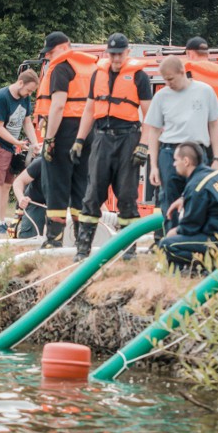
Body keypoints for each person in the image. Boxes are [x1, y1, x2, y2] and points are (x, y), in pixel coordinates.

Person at [70, 33, 153, 262]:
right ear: (108, 53)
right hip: (102, 138)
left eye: (120, 54)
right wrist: (79, 140)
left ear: (127, 52)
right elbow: (89, 109)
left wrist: (143, 146)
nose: (116, 59)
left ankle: (129, 251)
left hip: (128, 138)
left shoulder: (139, 77)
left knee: (127, 196)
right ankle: (82, 250)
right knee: (92, 194)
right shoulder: (99, 74)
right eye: (112, 54)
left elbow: (150, 116)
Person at [143, 56, 218, 233]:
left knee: (198, 196)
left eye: (170, 79)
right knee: (168, 199)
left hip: (196, 151)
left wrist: (217, 158)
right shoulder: (161, 96)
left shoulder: (205, 91)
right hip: (170, 152)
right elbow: (154, 131)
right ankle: (171, 242)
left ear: (182, 72)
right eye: (164, 79)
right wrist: (154, 166)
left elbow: (214, 125)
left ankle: (194, 240)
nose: (168, 83)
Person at [34, 31, 99, 248]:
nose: (50, 57)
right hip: (89, 130)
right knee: (81, 184)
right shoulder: (91, 67)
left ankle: (54, 240)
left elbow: (59, 105)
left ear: (63, 47)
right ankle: (83, 241)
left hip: (66, 129)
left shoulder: (62, 68)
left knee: (57, 182)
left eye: (51, 52)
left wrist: (50, 139)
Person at [158, 142, 218, 273]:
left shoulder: (196, 186)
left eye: (176, 160)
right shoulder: (215, 175)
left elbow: (191, 226)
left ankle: (213, 266)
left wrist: (174, 232)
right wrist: (183, 198)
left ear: (186, 161)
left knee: (167, 245)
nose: (173, 164)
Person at [0, 69, 40, 233]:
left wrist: (35, 144)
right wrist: (17, 142)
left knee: (7, 184)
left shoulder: (24, 98)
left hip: (10, 145)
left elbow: (27, 122)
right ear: (21, 83)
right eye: (28, 90)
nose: (29, 94)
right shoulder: (1, 97)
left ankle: (2, 222)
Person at [11, 157, 46, 239]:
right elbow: (18, 181)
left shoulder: (75, 164)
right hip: (37, 204)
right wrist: (21, 198)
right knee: (28, 239)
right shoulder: (40, 163)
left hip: (64, 206)